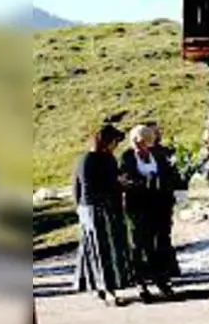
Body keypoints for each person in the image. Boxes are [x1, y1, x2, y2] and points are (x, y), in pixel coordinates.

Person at [118, 124, 180, 302]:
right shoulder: (127, 158)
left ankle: (162, 280)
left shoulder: (159, 156)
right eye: (135, 141)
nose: (138, 145)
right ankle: (141, 282)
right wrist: (147, 182)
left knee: (160, 243)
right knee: (139, 244)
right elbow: (126, 179)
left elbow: (170, 177)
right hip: (138, 208)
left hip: (160, 207)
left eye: (141, 142)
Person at [72, 125, 131, 307]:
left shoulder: (108, 159)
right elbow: (86, 188)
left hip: (107, 207)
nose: (116, 146)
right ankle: (107, 290)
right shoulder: (88, 160)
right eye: (114, 142)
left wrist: (121, 183)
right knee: (99, 249)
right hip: (94, 208)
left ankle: (104, 287)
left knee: (107, 248)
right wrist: (118, 184)